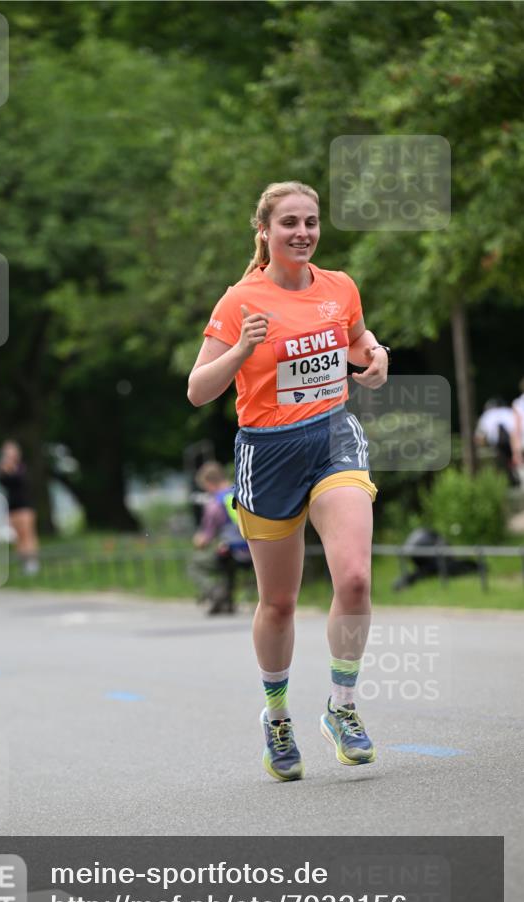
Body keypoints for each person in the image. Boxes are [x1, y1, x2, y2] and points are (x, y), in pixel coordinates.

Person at [187, 181, 389, 781]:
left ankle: (342, 706)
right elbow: (198, 390)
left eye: (311, 222)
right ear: (265, 231)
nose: (302, 233)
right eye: (289, 223)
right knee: (279, 603)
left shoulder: (340, 287)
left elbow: (357, 342)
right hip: (267, 453)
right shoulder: (239, 301)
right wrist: (239, 349)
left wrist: (374, 355)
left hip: (332, 438)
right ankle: (276, 716)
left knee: (354, 578)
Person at [189, 460, 253, 615]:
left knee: (196, 564)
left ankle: (215, 591)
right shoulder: (241, 492)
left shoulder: (215, 503)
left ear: (209, 483)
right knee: (225, 559)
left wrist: (198, 541)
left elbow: (206, 537)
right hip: (253, 549)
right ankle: (227, 601)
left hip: (231, 551)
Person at [0, 440, 40, 575]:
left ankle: (32, 563)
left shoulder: (22, 467)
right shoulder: (3, 469)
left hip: (25, 505)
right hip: (12, 507)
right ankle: (24, 564)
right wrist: (4, 469)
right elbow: (1, 481)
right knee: (18, 536)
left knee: (28, 534)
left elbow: (20, 480)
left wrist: (10, 468)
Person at [474, 398, 518, 486]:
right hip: (513, 441)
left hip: (498, 444)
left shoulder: (487, 415)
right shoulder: (508, 411)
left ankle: (509, 480)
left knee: (502, 462)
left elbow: (479, 437)